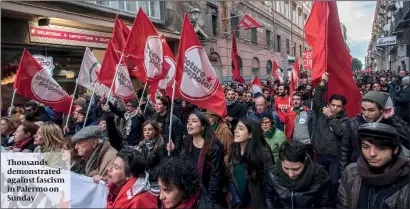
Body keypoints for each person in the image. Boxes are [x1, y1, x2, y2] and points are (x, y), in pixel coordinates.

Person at [338, 123, 410, 208]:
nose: (371, 154)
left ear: (395, 150)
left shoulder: (407, 180)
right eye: (366, 147)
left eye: (381, 148)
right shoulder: (351, 173)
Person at [341, 91, 410, 170]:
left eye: (371, 110)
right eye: (363, 109)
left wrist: (392, 118)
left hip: (387, 170)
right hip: (359, 170)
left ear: (381, 110)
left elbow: (407, 140)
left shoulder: (391, 123)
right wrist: (344, 173)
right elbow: (345, 151)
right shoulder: (352, 124)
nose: (366, 114)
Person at [171, 111, 225, 206]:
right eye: (188, 121)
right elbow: (181, 165)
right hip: (189, 192)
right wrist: (174, 150)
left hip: (206, 195)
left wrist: (208, 202)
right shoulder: (186, 143)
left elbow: (216, 177)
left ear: (203, 126)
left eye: (194, 121)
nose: (189, 123)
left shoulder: (214, 147)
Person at [310, 73, 348, 206]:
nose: (335, 108)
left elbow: (341, 132)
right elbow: (316, 100)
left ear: (343, 108)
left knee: (333, 183)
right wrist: (322, 83)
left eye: (338, 106)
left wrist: (331, 117)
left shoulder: (344, 120)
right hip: (320, 155)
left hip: (334, 158)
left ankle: (333, 204)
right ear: (329, 104)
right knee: (319, 181)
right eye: (333, 105)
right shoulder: (322, 112)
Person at [264, 140, 332, 208]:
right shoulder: (274, 173)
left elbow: (326, 205)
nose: (291, 174)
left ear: (305, 162)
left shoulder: (320, 176)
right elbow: (268, 197)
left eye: (296, 169)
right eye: (286, 168)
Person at [227, 118, 273, 208]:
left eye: (241, 128)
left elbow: (268, 183)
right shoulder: (233, 149)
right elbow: (230, 175)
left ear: (250, 134)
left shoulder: (263, 155)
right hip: (237, 200)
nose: (235, 131)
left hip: (255, 202)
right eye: (236, 127)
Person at [156, 156, 221, 208]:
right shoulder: (164, 204)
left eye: (167, 190)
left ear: (184, 189)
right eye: (160, 188)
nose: (161, 197)